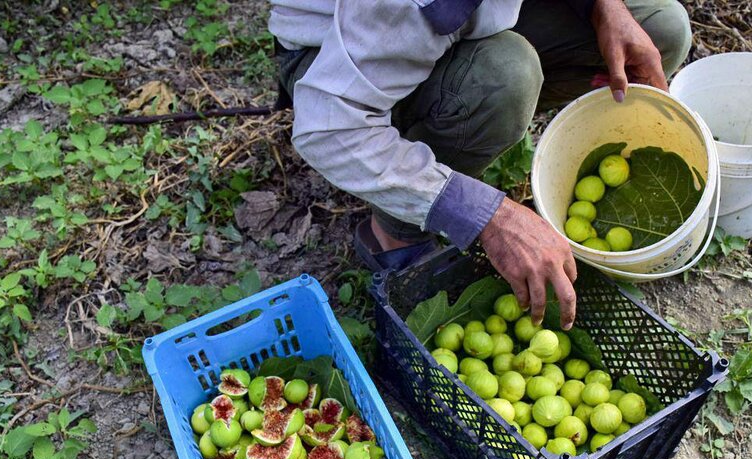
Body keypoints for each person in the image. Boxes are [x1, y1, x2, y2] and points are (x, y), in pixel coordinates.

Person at [270, 0, 691, 329]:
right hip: (342, 59)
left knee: (661, 29)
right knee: (503, 78)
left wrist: (604, 9)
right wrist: (488, 217)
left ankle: (466, 130)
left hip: (449, 23)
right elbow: (327, 128)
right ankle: (394, 232)